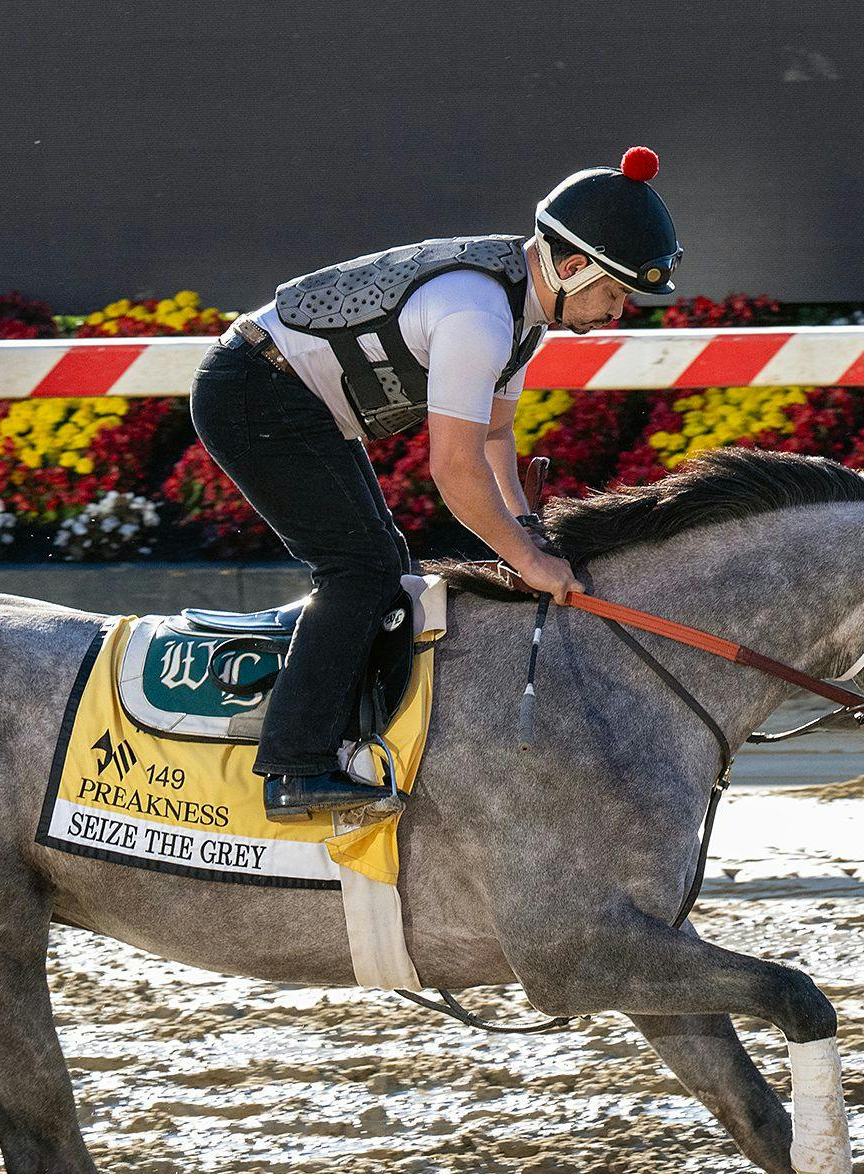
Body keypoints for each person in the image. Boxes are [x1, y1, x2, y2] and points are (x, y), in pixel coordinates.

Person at [190, 147, 681, 823]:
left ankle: (335, 734)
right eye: (613, 292)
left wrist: (527, 526)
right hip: (255, 392)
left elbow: (493, 437)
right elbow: (452, 469)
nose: (619, 310)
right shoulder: (480, 316)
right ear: (571, 267)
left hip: (287, 394)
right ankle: (294, 768)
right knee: (360, 571)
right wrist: (530, 561)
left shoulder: (523, 314)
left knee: (383, 565)